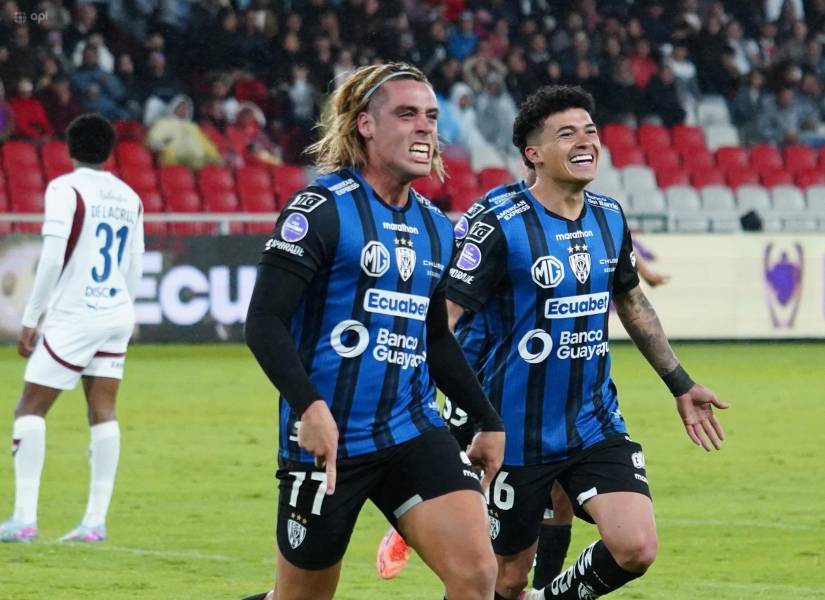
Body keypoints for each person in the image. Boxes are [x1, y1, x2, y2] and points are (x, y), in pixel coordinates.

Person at [445, 85, 729, 600]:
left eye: (591, 131)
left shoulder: (608, 215)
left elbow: (632, 303)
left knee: (635, 546)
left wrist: (680, 385)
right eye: (567, 133)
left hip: (591, 422)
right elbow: (443, 318)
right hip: (511, 431)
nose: (585, 142)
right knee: (505, 579)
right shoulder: (495, 222)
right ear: (533, 153)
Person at [242, 62, 505, 600]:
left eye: (431, 116)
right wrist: (310, 410)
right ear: (365, 125)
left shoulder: (436, 225)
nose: (425, 128)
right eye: (407, 114)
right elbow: (263, 321)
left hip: (411, 429)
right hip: (327, 441)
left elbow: (434, 340)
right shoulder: (320, 209)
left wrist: (487, 418)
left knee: (477, 576)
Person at [377, 174, 574, 589]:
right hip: (483, 375)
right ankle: (410, 522)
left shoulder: (576, 214)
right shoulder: (496, 216)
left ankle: (543, 588)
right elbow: (447, 307)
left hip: (537, 380)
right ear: (533, 155)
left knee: (557, 489)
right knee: (474, 471)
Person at [0, 114, 145, 543]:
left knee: (30, 408)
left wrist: (32, 317)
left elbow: (51, 256)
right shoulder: (129, 196)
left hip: (75, 313)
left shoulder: (64, 189)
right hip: (116, 310)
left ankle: (24, 520)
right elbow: (135, 263)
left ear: (69, 147)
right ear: (110, 150)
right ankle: (94, 524)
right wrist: (124, 308)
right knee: (102, 410)